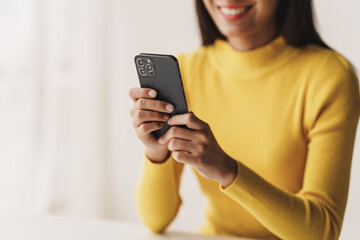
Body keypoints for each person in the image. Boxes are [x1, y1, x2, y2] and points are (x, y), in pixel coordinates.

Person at [128, 0, 360, 239]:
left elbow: (322, 231)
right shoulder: (187, 70)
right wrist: (156, 151)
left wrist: (227, 171)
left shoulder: (331, 78)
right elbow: (154, 220)